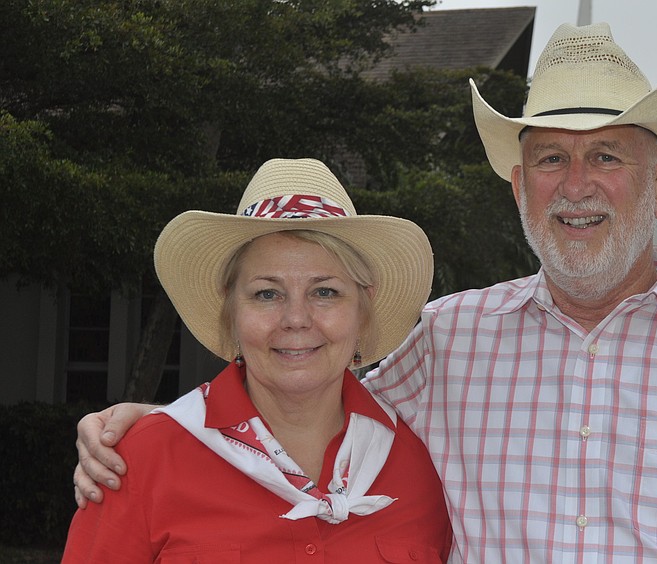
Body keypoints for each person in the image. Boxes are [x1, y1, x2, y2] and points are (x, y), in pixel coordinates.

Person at [73, 23, 657, 562]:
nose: (576, 186)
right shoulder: (447, 341)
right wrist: (160, 428)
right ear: (518, 184)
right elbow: (305, 387)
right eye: (550, 159)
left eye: (607, 156)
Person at [63, 158, 452, 562]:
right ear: (231, 308)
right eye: (267, 294)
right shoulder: (139, 460)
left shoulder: (422, 470)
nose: (296, 319)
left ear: (362, 309)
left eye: (325, 292)